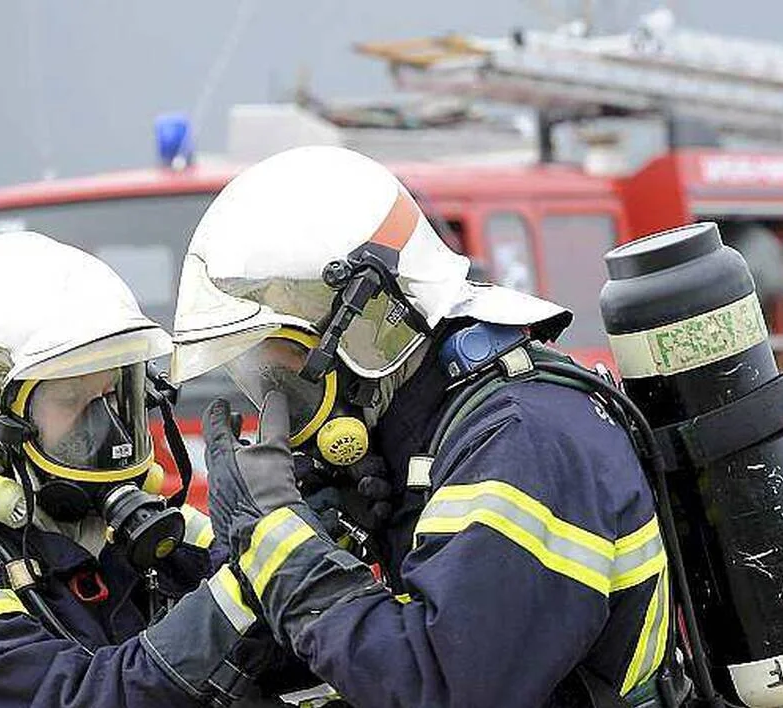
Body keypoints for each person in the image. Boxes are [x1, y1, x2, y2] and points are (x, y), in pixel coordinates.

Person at [169, 146, 671, 707]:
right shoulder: (419, 433)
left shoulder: (522, 442)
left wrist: (282, 544)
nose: (272, 399)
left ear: (370, 325)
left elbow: (442, 687)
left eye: (279, 359)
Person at [0, 231, 280, 708]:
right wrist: (234, 596)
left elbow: (267, 596)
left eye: (116, 396)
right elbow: (75, 697)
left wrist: (298, 536)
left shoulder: (124, 530)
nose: (110, 429)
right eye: (73, 399)